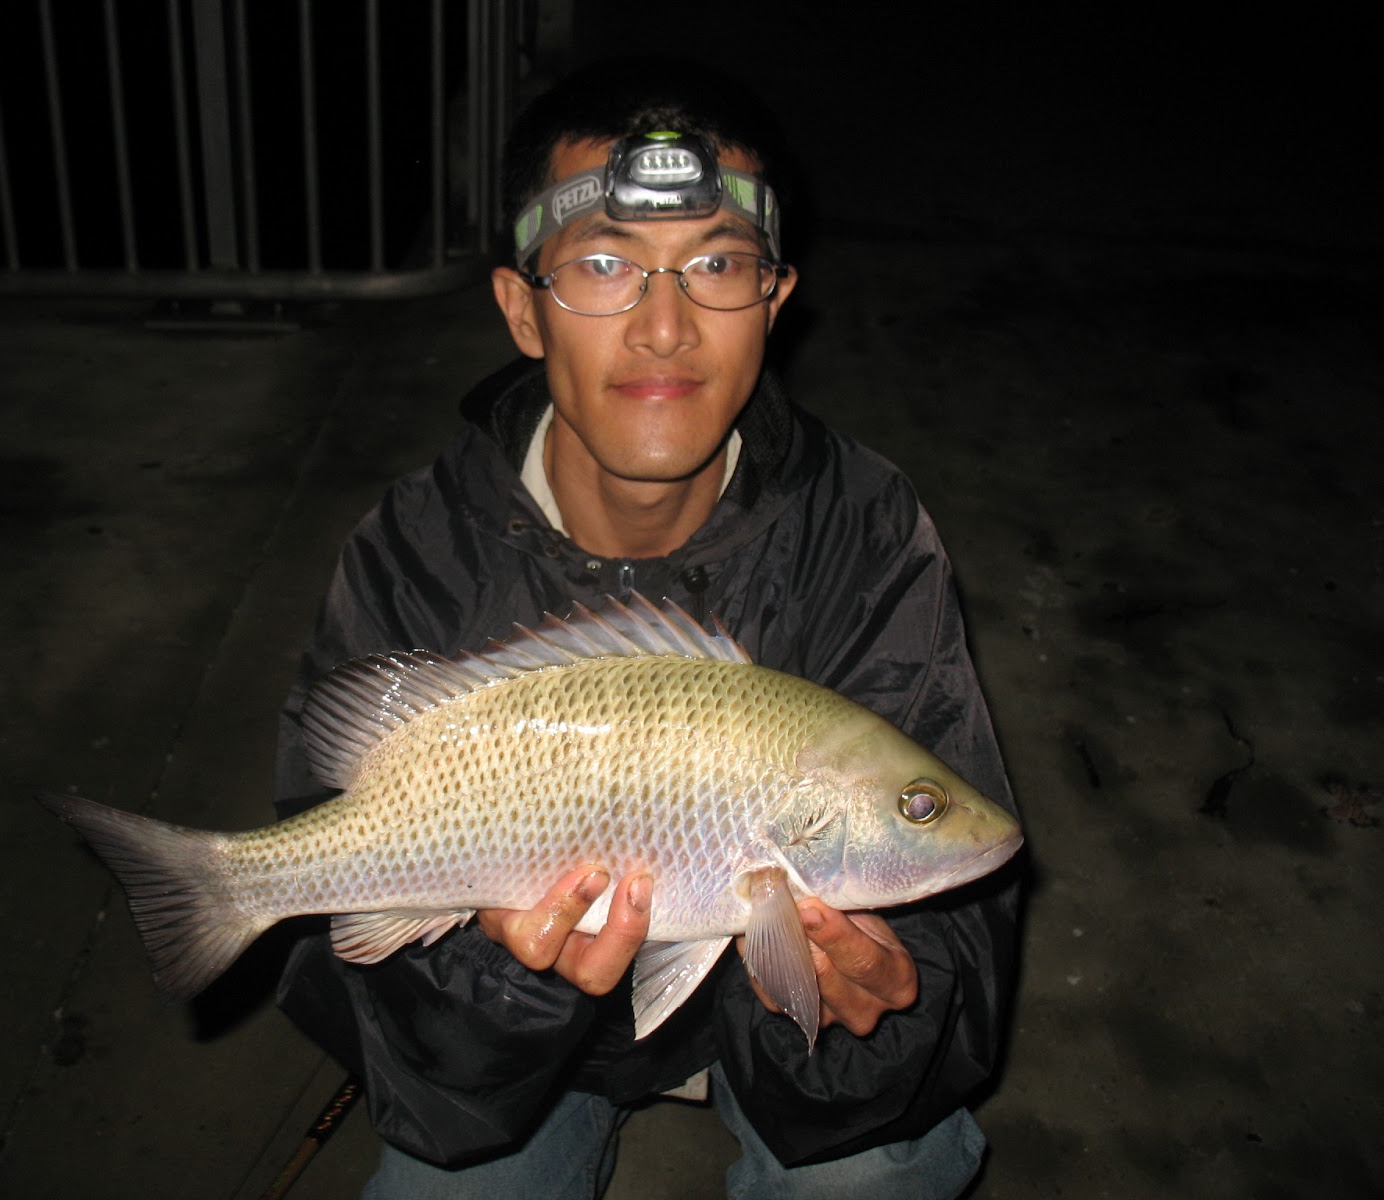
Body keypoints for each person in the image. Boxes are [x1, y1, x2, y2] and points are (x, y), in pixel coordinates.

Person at [272, 57, 1021, 1200]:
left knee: (872, 1170)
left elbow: (956, 945)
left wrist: (880, 1008)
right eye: (605, 266)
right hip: (529, 1062)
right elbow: (388, 1019)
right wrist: (511, 982)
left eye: (716, 265)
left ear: (773, 302)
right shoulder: (412, 552)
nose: (664, 328)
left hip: (762, 1032)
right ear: (522, 309)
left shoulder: (863, 531)